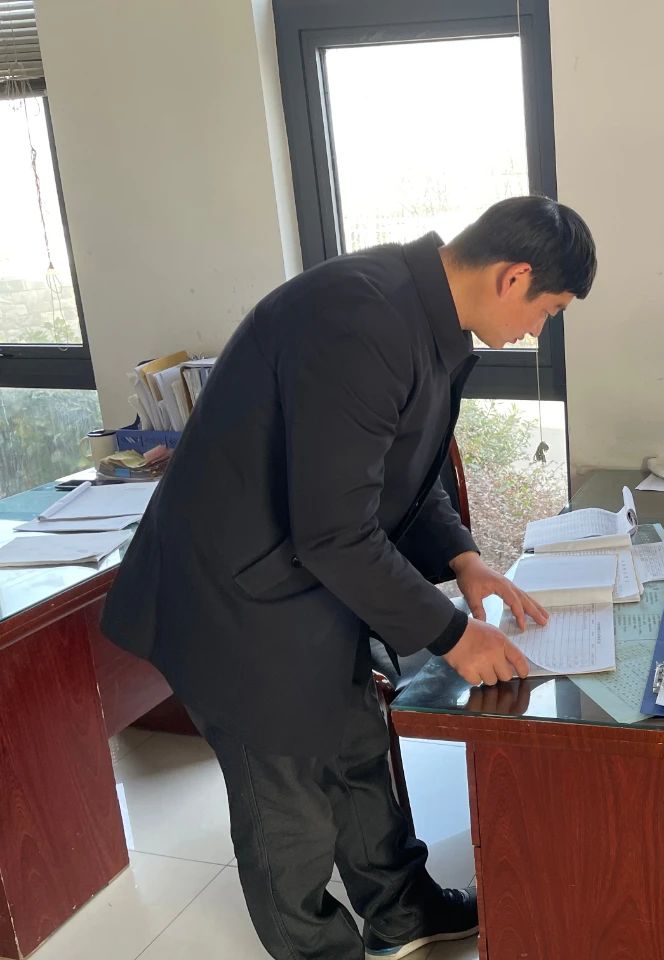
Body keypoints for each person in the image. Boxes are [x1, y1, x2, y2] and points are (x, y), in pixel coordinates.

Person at [100, 196, 597, 960]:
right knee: (288, 804)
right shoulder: (362, 319)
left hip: (303, 577)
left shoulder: (420, 318)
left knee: (357, 748)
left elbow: (401, 473)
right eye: (549, 310)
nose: (538, 331)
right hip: (232, 599)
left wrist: (463, 558)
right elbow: (335, 531)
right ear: (514, 276)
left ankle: (403, 914)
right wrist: (452, 636)